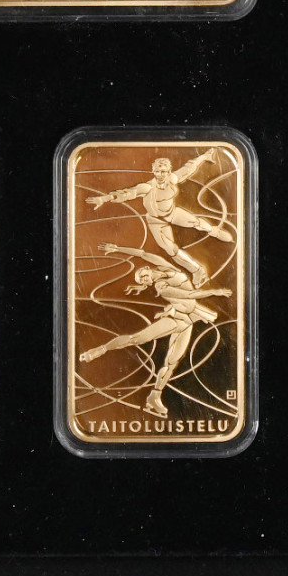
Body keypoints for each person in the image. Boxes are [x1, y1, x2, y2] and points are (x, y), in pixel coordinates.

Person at [78, 253, 231, 419]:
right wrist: (215, 291)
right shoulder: (161, 287)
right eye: (141, 281)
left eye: (143, 276)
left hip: (188, 321)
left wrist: (118, 249)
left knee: (172, 363)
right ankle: (100, 349)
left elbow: (143, 253)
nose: (144, 280)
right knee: (136, 339)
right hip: (175, 319)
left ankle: (155, 396)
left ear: (146, 268)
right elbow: (188, 295)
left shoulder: (166, 267)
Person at [90, 149, 232, 280]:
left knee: (196, 222)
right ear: (153, 171)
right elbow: (127, 193)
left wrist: (204, 157)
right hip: (156, 221)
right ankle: (197, 270)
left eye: (163, 171)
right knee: (170, 249)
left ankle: (214, 231)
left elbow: (189, 168)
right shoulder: (147, 188)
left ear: (169, 171)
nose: (160, 175)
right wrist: (104, 198)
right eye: (157, 171)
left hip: (172, 213)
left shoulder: (172, 179)